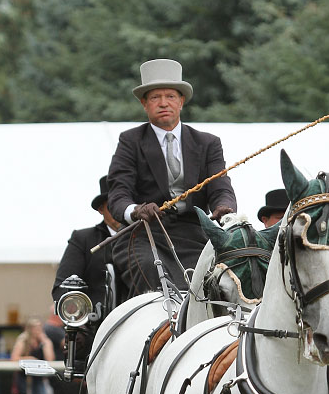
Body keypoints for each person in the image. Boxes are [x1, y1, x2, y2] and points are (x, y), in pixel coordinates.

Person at [107, 58, 237, 299]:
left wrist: (224, 208)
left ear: (181, 101)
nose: (163, 103)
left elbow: (220, 187)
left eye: (170, 96)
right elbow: (118, 194)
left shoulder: (207, 143)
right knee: (151, 270)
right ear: (145, 104)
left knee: (225, 276)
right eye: (155, 97)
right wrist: (136, 210)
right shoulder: (130, 141)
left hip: (195, 234)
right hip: (144, 234)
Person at [52, 175, 122, 312]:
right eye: (112, 206)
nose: (118, 211)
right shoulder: (83, 239)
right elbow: (62, 286)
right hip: (94, 325)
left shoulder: (144, 239)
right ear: (101, 209)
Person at [10, 317, 55, 394]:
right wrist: (30, 359)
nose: (38, 330)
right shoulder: (23, 340)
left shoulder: (44, 341)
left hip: (38, 377)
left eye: (40, 327)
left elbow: (50, 359)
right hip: (24, 377)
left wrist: (45, 342)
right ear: (29, 329)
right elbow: (14, 358)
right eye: (35, 328)